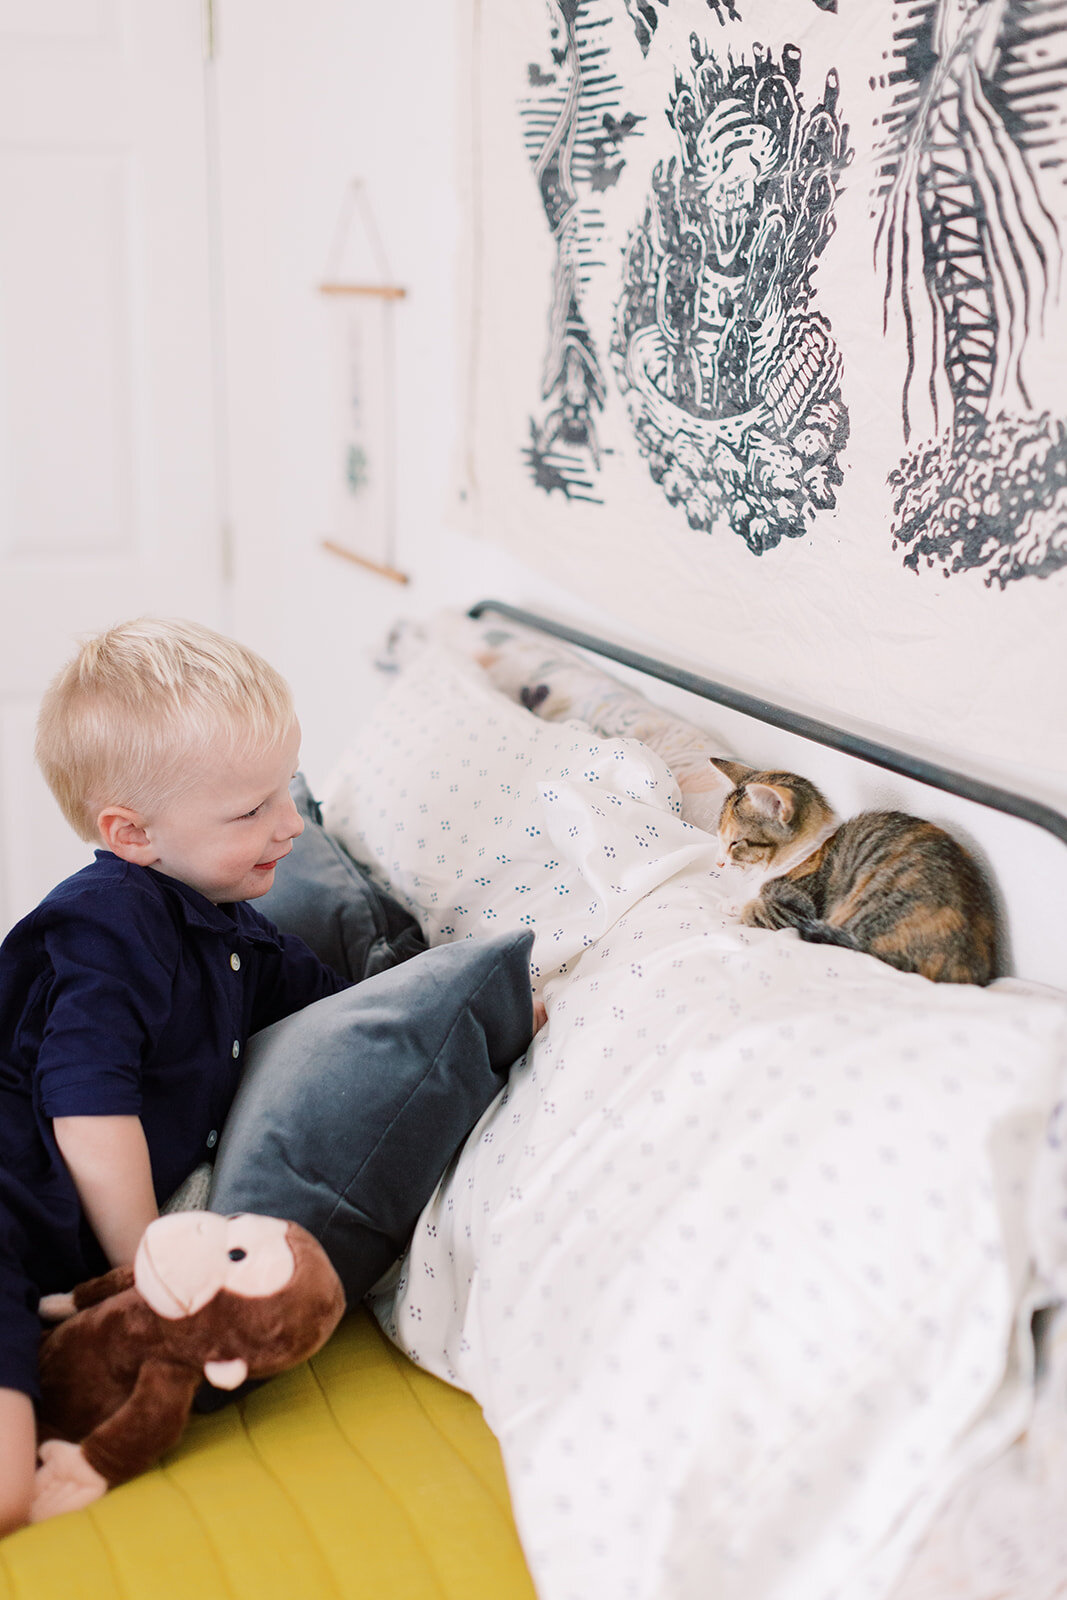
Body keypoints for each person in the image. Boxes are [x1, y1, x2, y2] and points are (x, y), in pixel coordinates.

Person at [0, 618, 350, 1535]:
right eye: (250, 811)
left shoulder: (234, 930)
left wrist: (502, 1007)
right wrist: (146, 1267)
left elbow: (351, 1010)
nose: (290, 825)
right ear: (133, 834)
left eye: (286, 789)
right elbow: (86, 1105)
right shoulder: (110, 923)